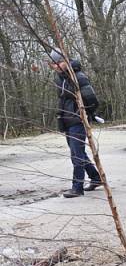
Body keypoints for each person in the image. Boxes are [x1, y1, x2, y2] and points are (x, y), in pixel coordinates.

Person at [49, 49, 102, 198]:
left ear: (66, 60)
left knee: (76, 155)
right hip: (66, 119)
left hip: (77, 120)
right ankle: (96, 178)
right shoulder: (59, 78)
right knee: (78, 152)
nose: (57, 66)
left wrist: (85, 113)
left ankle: (77, 187)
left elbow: (92, 99)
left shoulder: (78, 76)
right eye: (54, 64)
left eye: (59, 62)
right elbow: (62, 99)